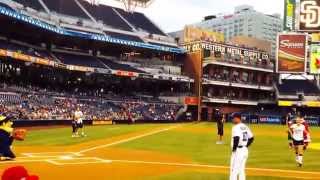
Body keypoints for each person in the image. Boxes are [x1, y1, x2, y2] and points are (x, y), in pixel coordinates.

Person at [230, 113, 254, 180]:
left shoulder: (236, 127)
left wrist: (234, 150)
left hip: (238, 151)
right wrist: (246, 146)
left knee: (234, 170)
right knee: (241, 170)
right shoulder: (245, 126)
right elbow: (251, 138)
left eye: (233, 118)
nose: (232, 119)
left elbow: (236, 138)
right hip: (245, 151)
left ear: (237, 118)